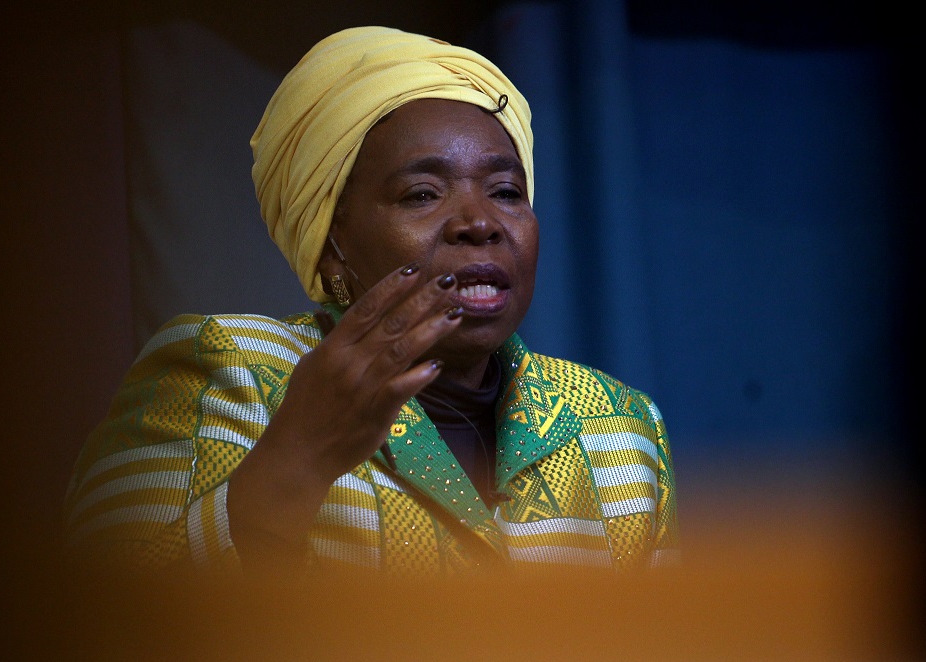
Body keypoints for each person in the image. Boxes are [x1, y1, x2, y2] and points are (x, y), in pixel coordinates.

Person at [63, 26, 678, 577]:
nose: (480, 223)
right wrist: (295, 460)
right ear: (332, 245)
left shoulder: (616, 427)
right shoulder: (231, 375)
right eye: (422, 194)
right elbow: (97, 626)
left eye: (506, 191)